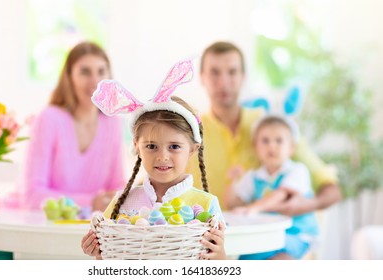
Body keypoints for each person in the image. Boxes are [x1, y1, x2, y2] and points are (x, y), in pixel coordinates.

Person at [81, 60, 226, 260]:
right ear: (137, 147)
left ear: (193, 149)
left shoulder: (207, 205)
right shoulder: (121, 202)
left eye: (174, 147)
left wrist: (219, 256)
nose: (162, 156)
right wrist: (98, 253)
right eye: (151, 146)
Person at [187, 41, 342, 215]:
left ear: (243, 77)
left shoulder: (271, 125)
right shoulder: (187, 132)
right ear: (202, 77)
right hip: (206, 238)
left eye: (232, 72)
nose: (223, 82)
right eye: (214, 73)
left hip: (266, 237)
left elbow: (331, 189)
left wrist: (309, 204)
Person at [20, 41, 125, 210]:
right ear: (69, 77)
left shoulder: (113, 122)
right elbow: (33, 197)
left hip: (89, 228)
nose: (95, 81)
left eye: (101, 71)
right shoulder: (48, 119)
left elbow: (118, 187)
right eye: (85, 72)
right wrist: (91, 203)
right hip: (38, 225)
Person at [229, 115, 319, 260]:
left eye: (279, 141)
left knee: (280, 258)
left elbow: (281, 194)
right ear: (255, 147)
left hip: (297, 234)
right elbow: (234, 204)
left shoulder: (297, 170)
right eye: (265, 141)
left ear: (291, 148)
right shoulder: (254, 176)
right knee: (246, 256)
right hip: (267, 235)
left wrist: (254, 208)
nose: (272, 146)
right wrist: (233, 181)